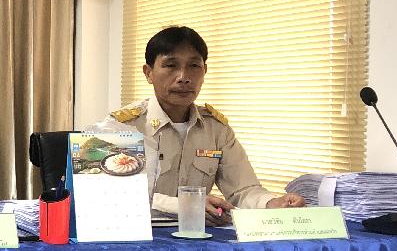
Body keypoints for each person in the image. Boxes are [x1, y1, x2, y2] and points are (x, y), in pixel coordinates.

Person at [110, 25, 305, 226]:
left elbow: (243, 189)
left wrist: (272, 203)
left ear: (204, 71)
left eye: (194, 66)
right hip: (136, 236)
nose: (183, 77)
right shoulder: (121, 127)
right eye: (171, 65)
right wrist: (184, 205)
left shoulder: (216, 129)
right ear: (148, 73)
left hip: (199, 237)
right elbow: (112, 194)